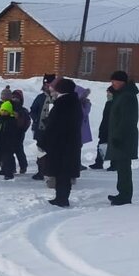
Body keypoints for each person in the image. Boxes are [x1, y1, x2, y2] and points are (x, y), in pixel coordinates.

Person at [37, 77, 83, 207]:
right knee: (64, 172)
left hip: (60, 143)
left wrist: (44, 140)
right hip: (70, 142)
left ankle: (61, 198)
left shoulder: (63, 103)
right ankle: (61, 197)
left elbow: (56, 125)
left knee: (61, 172)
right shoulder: (73, 101)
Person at [106, 70, 139, 205]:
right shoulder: (121, 95)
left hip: (124, 138)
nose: (113, 84)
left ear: (122, 82)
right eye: (112, 81)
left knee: (124, 167)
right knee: (121, 167)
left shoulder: (127, 96)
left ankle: (125, 196)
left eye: (115, 81)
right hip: (120, 136)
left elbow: (128, 119)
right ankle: (122, 193)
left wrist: (118, 136)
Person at [30, 73, 57, 180]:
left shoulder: (56, 97)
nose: (47, 86)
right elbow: (33, 110)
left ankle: (50, 171)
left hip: (52, 130)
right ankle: (41, 171)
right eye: (45, 84)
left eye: (49, 84)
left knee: (52, 151)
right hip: (40, 129)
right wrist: (36, 119)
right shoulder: (40, 97)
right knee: (40, 151)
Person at [89, 86, 115, 169]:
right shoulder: (108, 103)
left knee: (111, 146)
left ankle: (113, 164)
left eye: (109, 93)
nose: (107, 94)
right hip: (104, 127)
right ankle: (99, 163)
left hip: (110, 128)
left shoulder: (113, 103)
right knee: (101, 146)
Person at [11, 88, 30, 174]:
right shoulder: (9, 108)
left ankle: (23, 166)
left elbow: (27, 122)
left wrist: (22, 129)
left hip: (19, 133)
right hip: (10, 132)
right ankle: (11, 167)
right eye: (13, 97)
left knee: (19, 150)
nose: (15, 99)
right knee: (9, 151)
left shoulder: (23, 111)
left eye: (17, 98)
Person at [76, 84, 93, 171]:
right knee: (76, 148)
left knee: (78, 147)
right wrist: (88, 105)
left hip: (81, 129)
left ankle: (77, 163)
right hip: (79, 129)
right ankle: (76, 164)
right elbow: (84, 113)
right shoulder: (79, 104)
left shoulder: (82, 103)